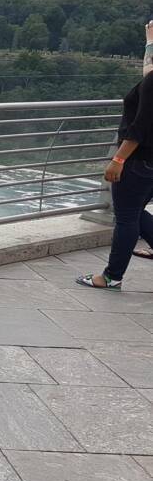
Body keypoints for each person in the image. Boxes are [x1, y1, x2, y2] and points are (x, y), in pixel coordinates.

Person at [77, 20, 153, 289]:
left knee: (126, 218)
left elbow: (141, 126)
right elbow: (149, 74)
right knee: (135, 212)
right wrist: (149, 42)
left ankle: (111, 277)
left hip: (139, 160)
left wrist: (118, 159)